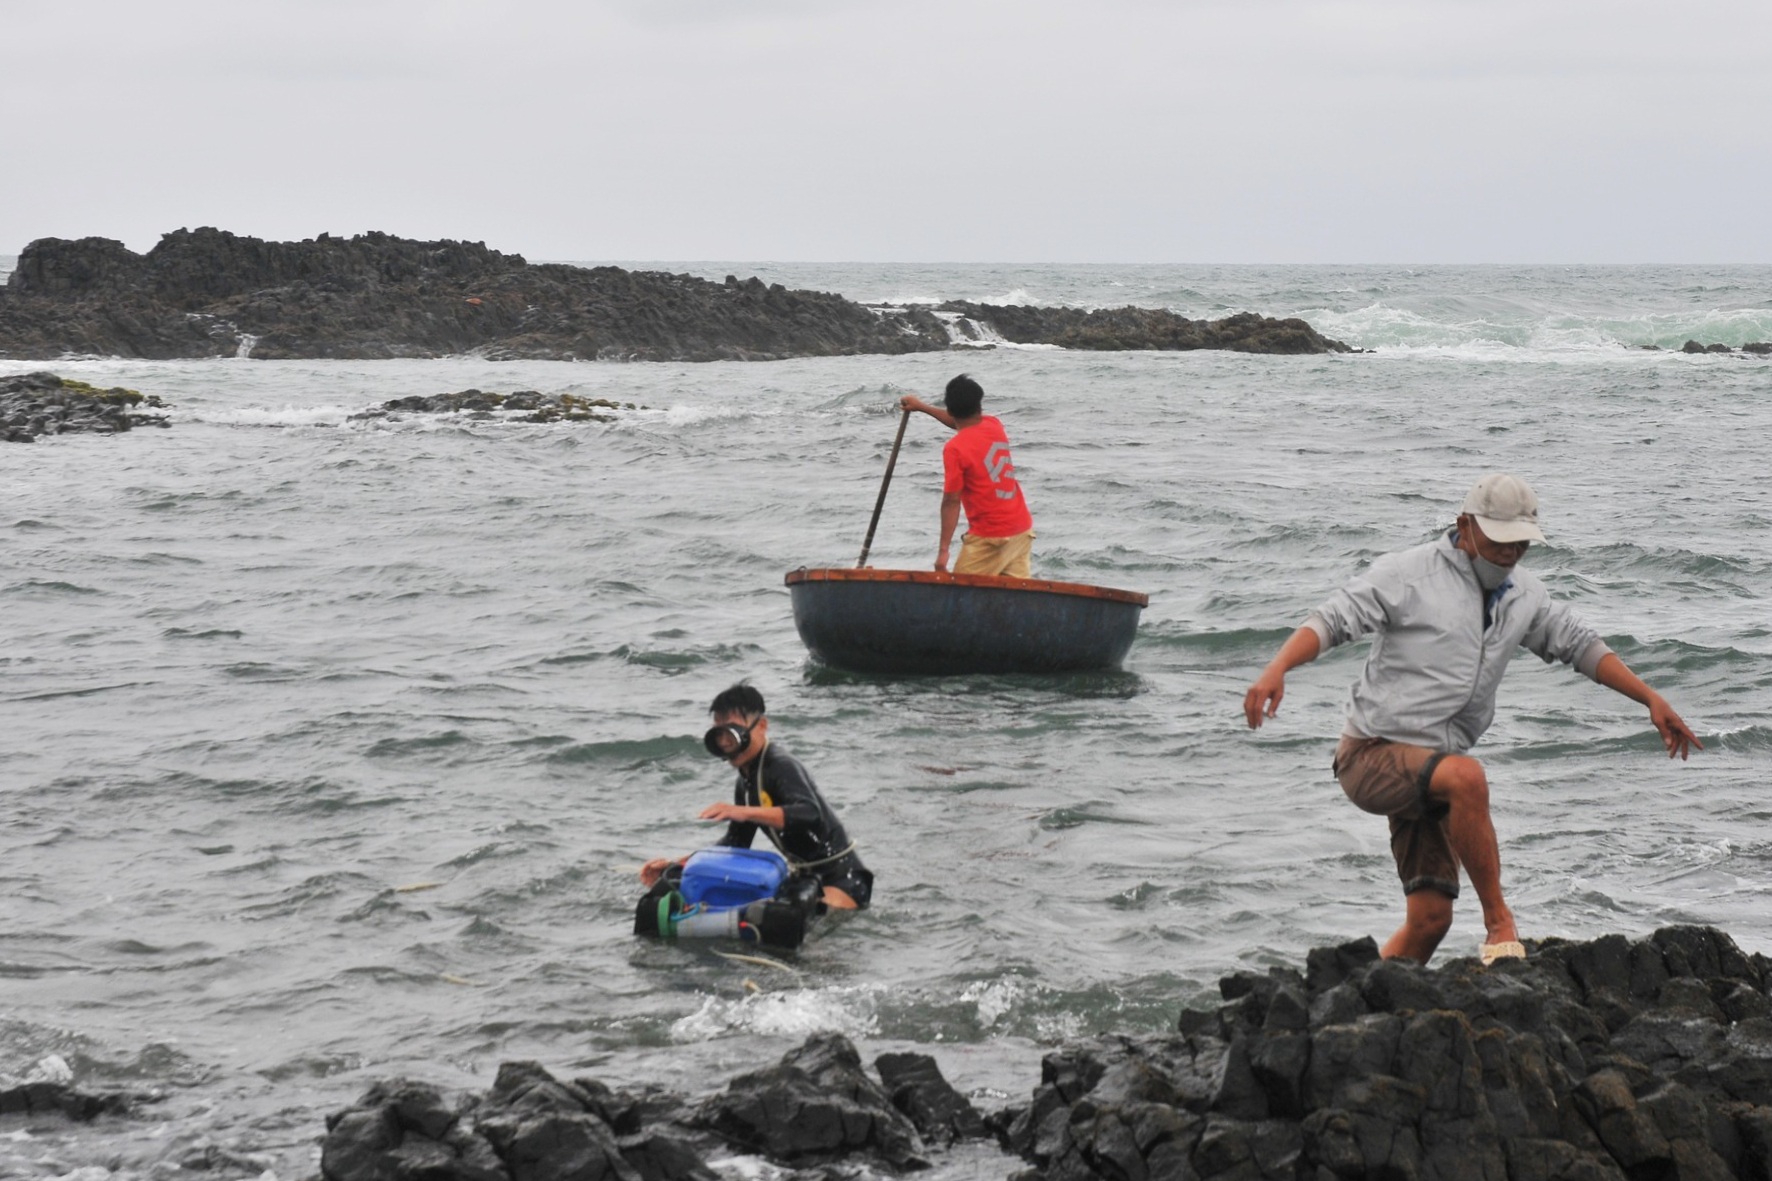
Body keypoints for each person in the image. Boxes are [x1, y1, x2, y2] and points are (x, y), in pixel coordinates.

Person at [1242, 473, 1701, 966]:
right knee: (1468, 778)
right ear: (1464, 525)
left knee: (1431, 919)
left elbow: (1579, 645)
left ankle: (1369, 998)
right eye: (1500, 540)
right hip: (1369, 754)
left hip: (1434, 769)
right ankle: (1499, 922)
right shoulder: (1408, 575)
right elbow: (1332, 619)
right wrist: (1278, 667)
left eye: (1521, 542)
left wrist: (1649, 698)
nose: (1510, 553)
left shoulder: (1525, 595)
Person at [640, 683, 872, 910]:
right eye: (720, 734)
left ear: (761, 726)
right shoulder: (746, 780)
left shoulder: (780, 765)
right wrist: (679, 864)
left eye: (733, 732)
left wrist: (742, 811)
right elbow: (735, 843)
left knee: (792, 925)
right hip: (804, 879)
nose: (725, 742)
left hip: (843, 879)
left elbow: (809, 813)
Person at [899, 374, 1035, 577]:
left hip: (990, 538)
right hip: (1021, 531)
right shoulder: (994, 425)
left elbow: (952, 501)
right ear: (979, 406)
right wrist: (921, 407)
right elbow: (960, 423)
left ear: (951, 410)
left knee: (961, 595)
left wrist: (943, 551)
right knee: (1012, 598)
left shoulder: (955, 448)